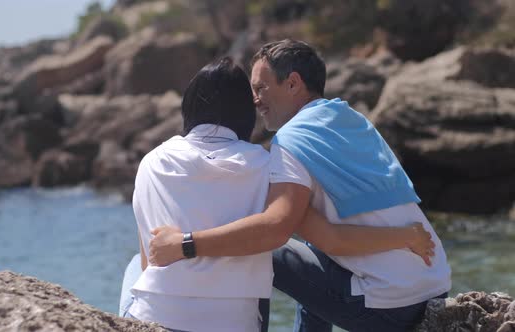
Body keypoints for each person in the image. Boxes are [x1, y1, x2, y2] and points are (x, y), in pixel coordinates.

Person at [148, 40, 452, 332]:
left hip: (389, 308)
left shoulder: (291, 140)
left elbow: (275, 230)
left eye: (260, 88)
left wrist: (185, 244)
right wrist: (405, 236)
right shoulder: (352, 120)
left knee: (263, 249)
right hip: (434, 284)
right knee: (309, 245)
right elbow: (325, 235)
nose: (254, 100)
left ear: (293, 83)